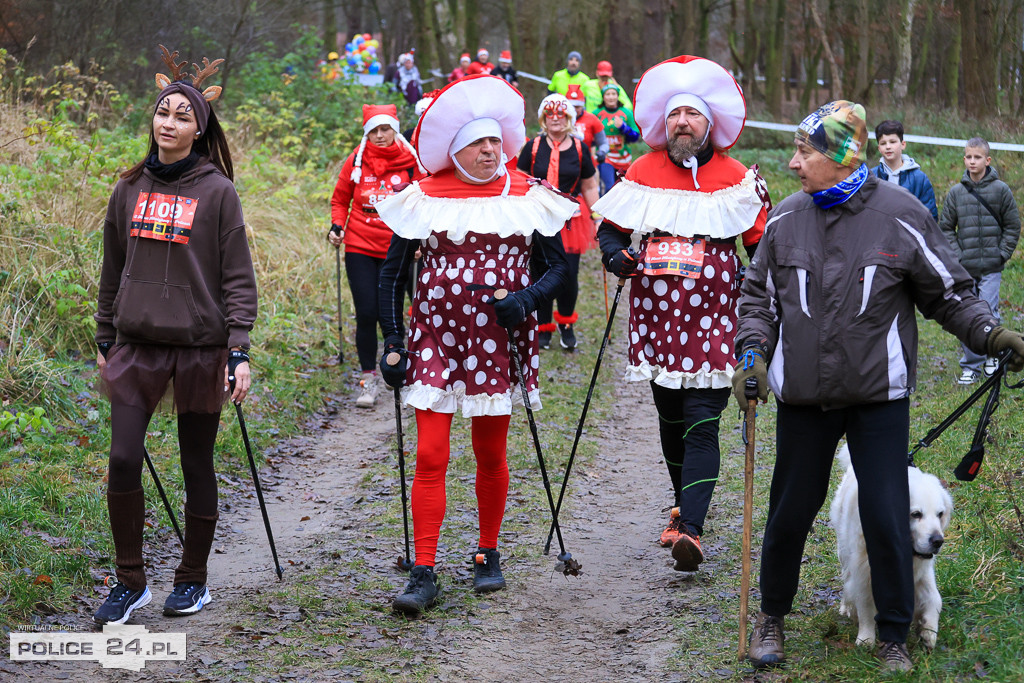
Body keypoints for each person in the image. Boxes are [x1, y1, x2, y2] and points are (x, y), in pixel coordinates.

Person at [733, 100, 1024, 673]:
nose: (794, 163)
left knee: (888, 513)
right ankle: (770, 617)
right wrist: (752, 352)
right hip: (804, 400)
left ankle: (893, 632)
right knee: (791, 509)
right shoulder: (786, 220)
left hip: (878, 399)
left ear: (842, 158)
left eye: (804, 151)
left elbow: (947, 292)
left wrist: (992, 335)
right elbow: (757, 300)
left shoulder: (902, 215)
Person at [375, 74, 575, 615]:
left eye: (496, 143)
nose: (491, 152)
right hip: (434, 338)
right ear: (455, 150)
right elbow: (392, 277)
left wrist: (528, 299)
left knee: (490, 451)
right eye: (478, 145)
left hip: (499, 340)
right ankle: (423, 569)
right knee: (431, 453)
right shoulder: (422, 197)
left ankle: (488, 553)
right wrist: (393, 340)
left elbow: (559, 269)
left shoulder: (527, 195)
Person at [93, 46, 257, 624]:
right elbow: (113, 267)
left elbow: (238, 278)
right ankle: (130, 582)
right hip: (136, 344)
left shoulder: (217, 193)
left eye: (183, 116)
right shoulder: (129, 188)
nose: (169, 122)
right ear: (152, 120)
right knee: (121, 459)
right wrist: (104, 334)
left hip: (200, 348)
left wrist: (238, 349)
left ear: (199, 128)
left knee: (196, 466)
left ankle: (192, 579)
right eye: (163, 112)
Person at [594, 56, 767, 574]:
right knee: (671, 423)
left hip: (715, 317)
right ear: (661, 125)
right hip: (656, 320)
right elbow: (611, 232)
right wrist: (614, 256)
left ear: (709, 124)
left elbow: (761, 245)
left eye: (691, 115)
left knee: (701, 425)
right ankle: (682, 505)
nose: (682, 124)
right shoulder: (641, 172)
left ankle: (691, 529)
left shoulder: (737, 178)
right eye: (674, 116)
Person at [329, 104, 426, 407]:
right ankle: (368, 379)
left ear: (395, 129)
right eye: (374, 130)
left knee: (399, 313)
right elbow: (340, 198)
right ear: (367, 133)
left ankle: (403, 369)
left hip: (400, 248)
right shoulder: (356, 161)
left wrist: (424, 237)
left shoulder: (413, 162)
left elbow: (428, 200)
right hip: (360, 244)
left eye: (385, 129)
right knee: (367, 312)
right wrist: (336, 225)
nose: (380, 135)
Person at [518, 93, 601, 351]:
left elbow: (589, 185)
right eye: (550, 114)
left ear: (569, 118)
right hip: (539, 217)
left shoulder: (579, 147)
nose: (555, 119)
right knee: (540, 271)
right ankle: (543, 327)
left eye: (561, 114)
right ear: (543, 118)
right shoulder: (532, 146)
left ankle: (566, 323)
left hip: (570, 219)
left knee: (568, 273)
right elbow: (520, 180)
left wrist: (598, 216)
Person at [938, 136, 1021, 384]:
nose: (972, 161)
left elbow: (1012, 225)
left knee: (989, 310)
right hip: (965, 268)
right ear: (964, 159)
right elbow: (945, 229)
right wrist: (958, 257)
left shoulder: (1001, 190)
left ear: (987, 160)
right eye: (968, 157)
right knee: (967, 315)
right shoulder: (955, 193)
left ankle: (992, 356)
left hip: (992, 267)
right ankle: (971, 365)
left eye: (977, 157)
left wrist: (1002, 253)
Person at [872, 119, 937, 220]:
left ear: (903, 144)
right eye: (883, 143)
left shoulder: (919, 179)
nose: (888, 147)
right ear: (879, 148)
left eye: (893, 142)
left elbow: (929, 217)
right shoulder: (871, 177)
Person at [594, 84, 640, 193]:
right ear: (603, 97)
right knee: (609, 187)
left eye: (613, 94)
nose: (611, 97)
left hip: (623, 157)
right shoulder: (596, 114)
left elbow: (636, 137)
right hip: (605, 156)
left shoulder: (627, 113)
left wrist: (624, 128)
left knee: (623, 190)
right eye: (608, 94)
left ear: (617, 96)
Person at [566, 83, 608, 167]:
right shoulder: (559, 120)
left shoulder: (592, 118)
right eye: (572, 106)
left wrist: (602, 152)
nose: (574, 110)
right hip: (564, 162)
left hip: (587, 163)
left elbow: (604, 143)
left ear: (582, 106)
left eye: (577, 107)